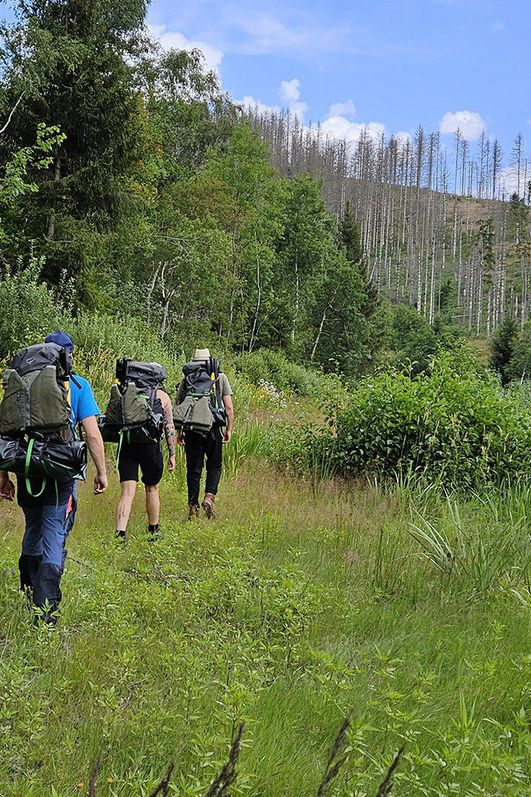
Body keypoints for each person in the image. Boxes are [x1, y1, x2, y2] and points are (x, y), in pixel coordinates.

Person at [0, 331, 108, 624]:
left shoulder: (22, 383)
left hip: (26, 468)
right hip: (60, 472)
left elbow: (7, 431)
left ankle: (28, 589)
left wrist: (3, 477)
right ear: (67, 355)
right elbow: (93, 433)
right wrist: (101, 471)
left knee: (32, 528)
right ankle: (45, 612)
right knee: (53, 532)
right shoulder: (77, 385)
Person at [177, 348, 234, 520]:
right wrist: (229, 429)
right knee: (214, 465)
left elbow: (179, 405)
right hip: (213, 427)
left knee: (193, 469)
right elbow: (229, 407)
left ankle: (193, 507)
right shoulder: (220, 377)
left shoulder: (186, 378)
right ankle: (209, 497)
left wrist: (180, 431)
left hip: (192, 429)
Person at [114, 386, 175, 541]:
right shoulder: (162, 396)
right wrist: (172, 453)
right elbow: (169, 426)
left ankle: (119, 535)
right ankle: (153, 530)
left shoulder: (128, 392)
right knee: (152, 488)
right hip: (150, 446)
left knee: (127, 493)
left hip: (128, 444)